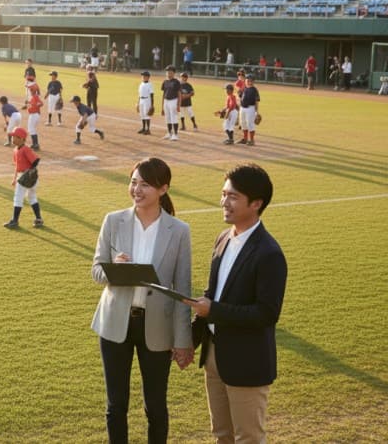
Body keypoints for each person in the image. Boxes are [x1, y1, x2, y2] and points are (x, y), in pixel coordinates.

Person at [91, 157, 193, 444]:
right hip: (115, 325)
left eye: (145, 184)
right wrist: (114, 269)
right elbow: (97, 271)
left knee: (156, 406)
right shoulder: (113, 221)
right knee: (116, 405)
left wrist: (183, 339)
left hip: (157, 327)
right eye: (133, 182)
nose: (136, 189)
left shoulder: (179, 230)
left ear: (163, 189)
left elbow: (182, 287)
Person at [187, 163, 287, 444]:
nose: (223, 202)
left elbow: (267, 314)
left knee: (248, 438)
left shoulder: (269, 253)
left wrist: (214, 310)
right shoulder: (223, 239)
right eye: (223, 194)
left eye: (232, 196)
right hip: (214, 356)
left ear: (256, 203)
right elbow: (211, 294)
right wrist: (191, 340)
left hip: (247, 361)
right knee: (222, 435)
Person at [3, 127, 43, 229]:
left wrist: (30, 173)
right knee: (32, 197)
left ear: (21, 138)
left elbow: (35, 161)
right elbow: (17, 166)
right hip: (23, 177)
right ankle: (39, 219)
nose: (12, 138)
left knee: (18, 198)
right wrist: (14, 178)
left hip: (27, 177)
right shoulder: (16, 150)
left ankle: (14, 221)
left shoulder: (26, 149)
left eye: (14, 137)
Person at [161, 65, 181, 141]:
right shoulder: (165, 82)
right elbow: (163, 94)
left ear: (174, 73)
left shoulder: (176, 82)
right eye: (167, 72)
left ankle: (175, 134)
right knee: (167, 118)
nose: (169, 74)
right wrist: (162, 106)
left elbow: (179, 94)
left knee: (174, 117)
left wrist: (178, 105)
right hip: (166, 101)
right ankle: (169, 133)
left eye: (170, 72)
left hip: (173, 101)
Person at [239, 74, 260, 146]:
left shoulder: (254, 90)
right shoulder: (244, 88)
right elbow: (240, 98)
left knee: (250, 124)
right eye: (247, 80)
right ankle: (245, 139)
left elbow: (256, 101)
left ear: (253, 82)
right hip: (242, 108)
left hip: (250, 108)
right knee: (243, 123)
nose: (248, 81)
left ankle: (252, 140)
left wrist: (256, 112)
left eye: (250, 80)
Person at [24, 82, 43, 150]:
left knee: (31, 129)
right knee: (32, 129)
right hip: (34, 115)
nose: (28, 90)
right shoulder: (33, 97)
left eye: (29, 89)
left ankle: (36, 145)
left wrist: (35, 105)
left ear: (32, 90)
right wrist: (28, 103)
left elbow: (41, 103)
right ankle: (35, 144)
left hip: (34, 115)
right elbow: (33, 104)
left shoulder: (35, 96)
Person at [136, 71, 155, 135]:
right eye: (142, 76)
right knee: (142, 115)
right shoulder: (141, 84)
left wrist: (152, 105)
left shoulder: (150, 84)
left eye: (144, 76)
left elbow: (152, 95)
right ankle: (143, 128)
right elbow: (139, 94)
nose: (143, 77)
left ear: (148, 77)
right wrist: (138, 103)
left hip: (147, 100)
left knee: (147, 115)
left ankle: (148, 129)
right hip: (141, 100)